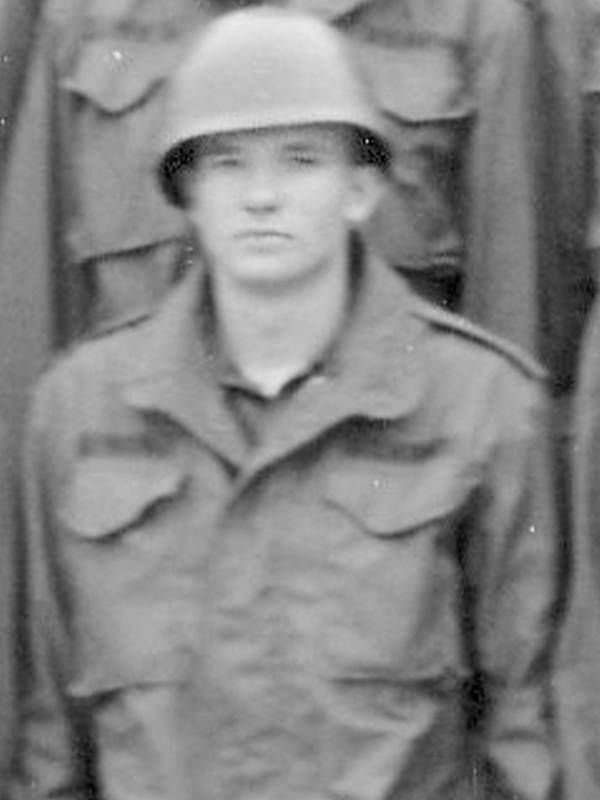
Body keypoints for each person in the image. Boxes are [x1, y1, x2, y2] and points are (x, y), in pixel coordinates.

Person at [12, 8, 561, 799]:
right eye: (227, 164)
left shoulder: (484, 407)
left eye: (301, 160)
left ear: (364, 189)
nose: (261, 196)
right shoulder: (80, 413)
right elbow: (47, 737)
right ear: (187, 195)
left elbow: (526, 729)